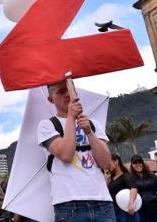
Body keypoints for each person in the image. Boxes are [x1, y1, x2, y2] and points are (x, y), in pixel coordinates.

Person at [37, 80, 114, 222]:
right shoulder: (47, 126)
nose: (67, 95)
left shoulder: (93, 123)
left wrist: (89, 132)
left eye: (69, 90)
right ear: (50, 99)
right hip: (69, 205)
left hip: (102, 201)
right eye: (60, 92)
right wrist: (71, 118)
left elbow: (106, 163)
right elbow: (66, 154)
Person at [129, 154, 157, 222]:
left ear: (143, 163)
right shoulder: (130, 179)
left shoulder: (152, 176)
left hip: (156, 207)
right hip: (142, 210)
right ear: (132, 165)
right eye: (135, 163)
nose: (138, 165)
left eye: (139, 162)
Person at [108, 154, 139, 222]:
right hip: (115, 210)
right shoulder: (111, 178)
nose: (108, 164)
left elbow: (134, 188)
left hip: (126, 210)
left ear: (116, 161)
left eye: (109, 161)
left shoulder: (126, 176)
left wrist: (131, 203)